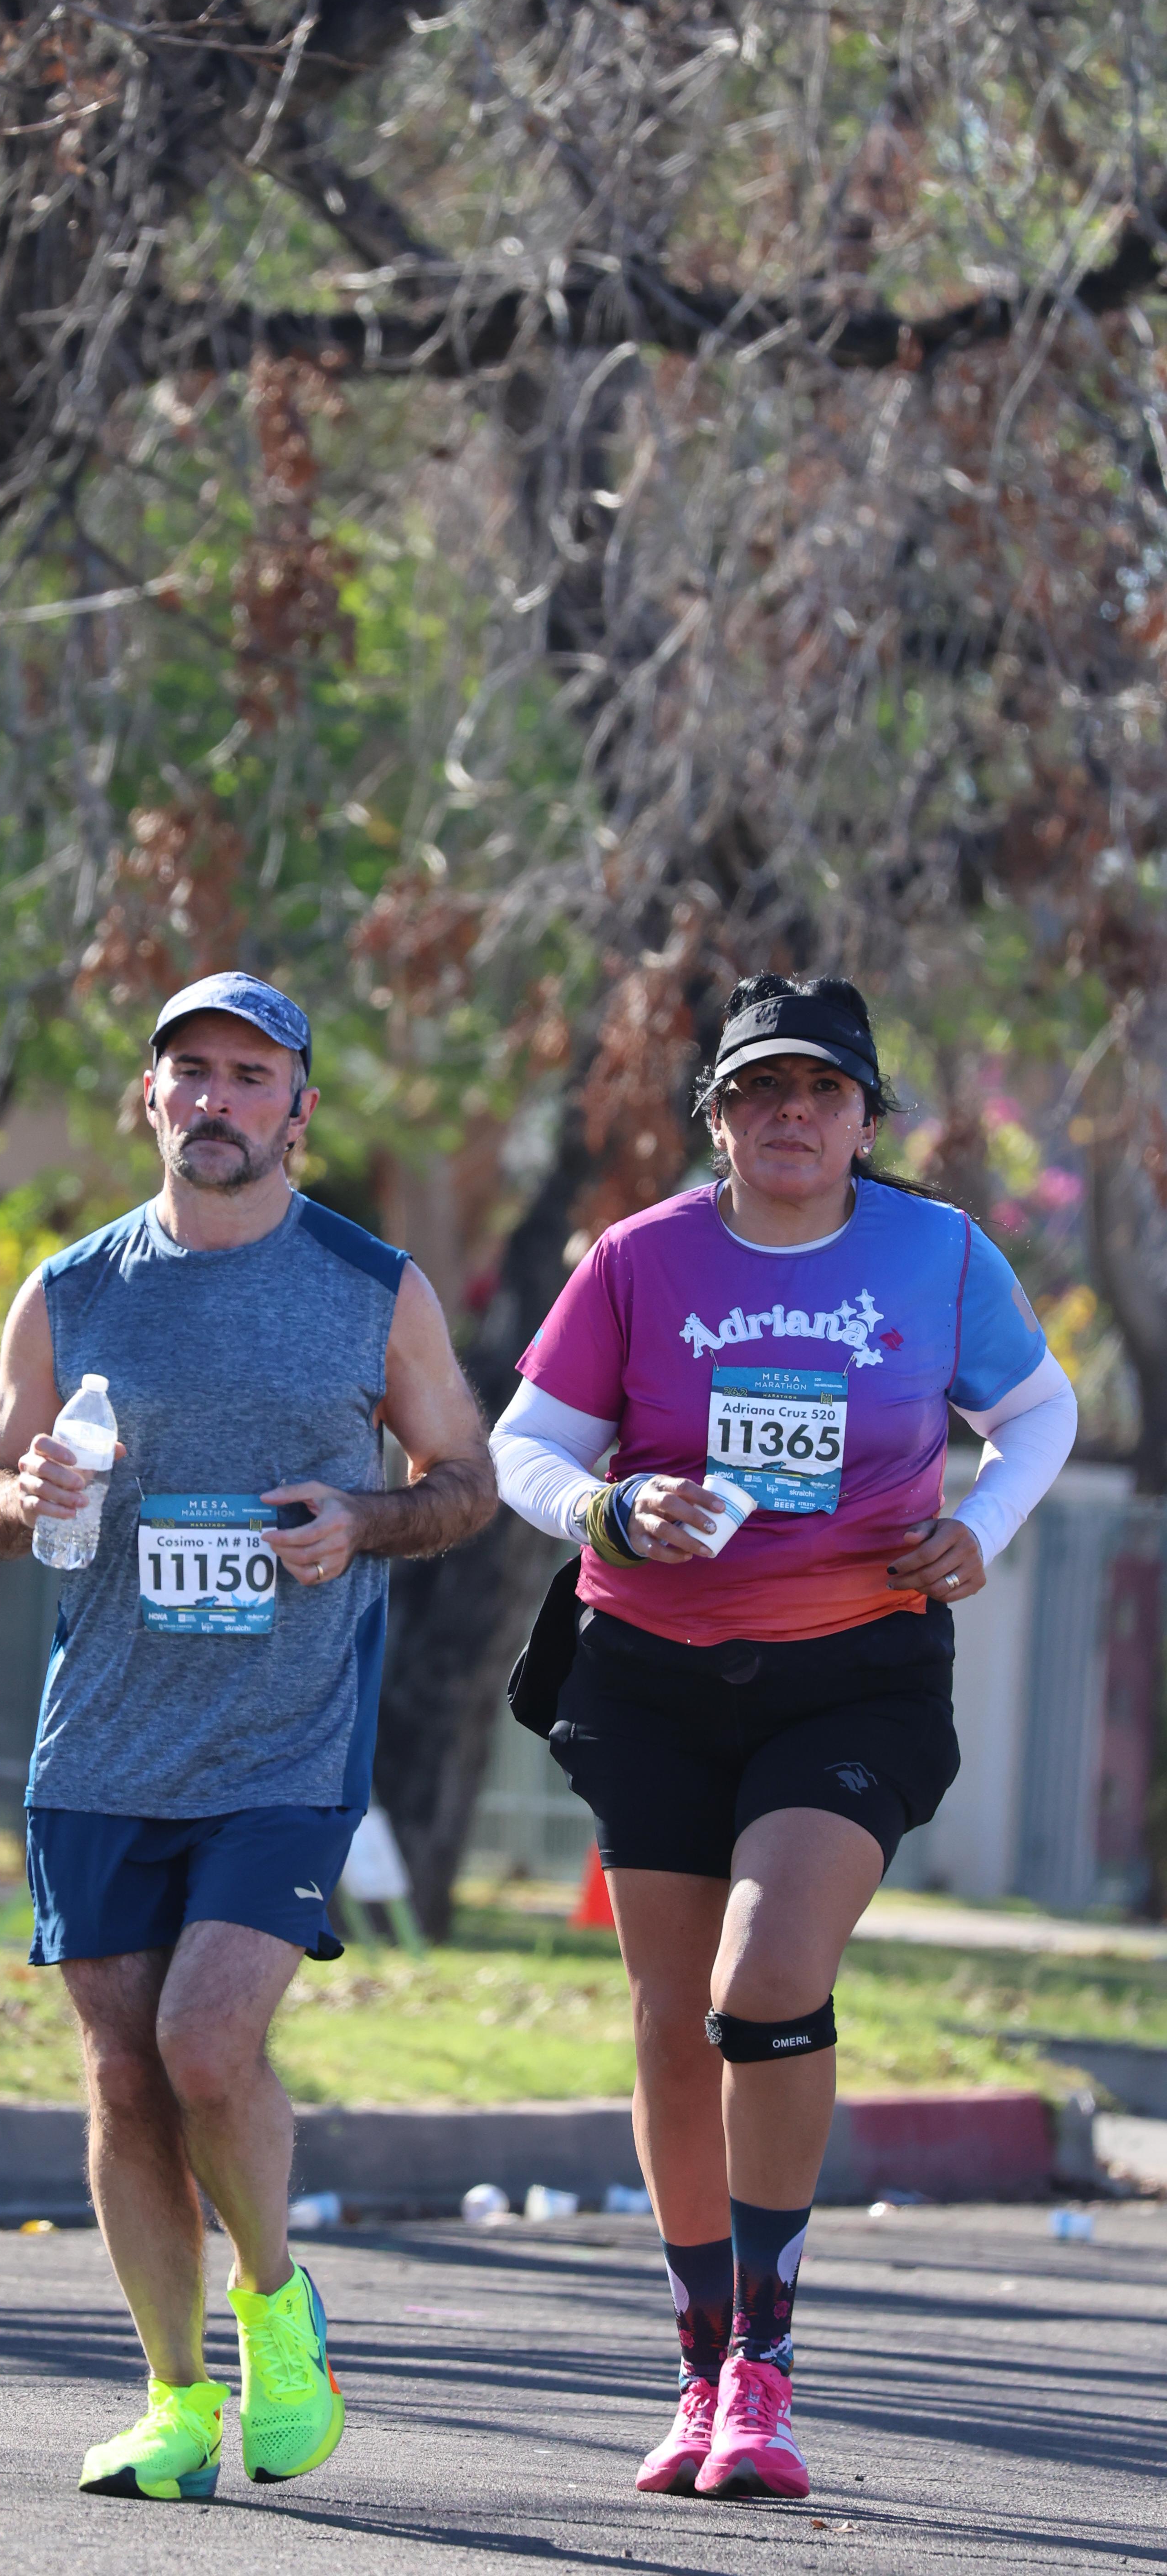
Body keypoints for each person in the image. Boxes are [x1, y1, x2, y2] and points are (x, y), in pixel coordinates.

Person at [490, 975, 1075, 2504]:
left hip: (853, 1672)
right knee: (670, 2025)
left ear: (867, 1119)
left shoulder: (939, 1254)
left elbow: (1041, 1412)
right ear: (719, 1119)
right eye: (760, 1090)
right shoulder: (640, 1259)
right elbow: (526, 1445)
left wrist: (984, 1525)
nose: (792, 1116)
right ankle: (698, 2370)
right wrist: (613, 1506)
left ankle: (766, 2362)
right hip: (651, 1675)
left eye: (823, 1091)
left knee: (763, 1979)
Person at [0, 972, 496, 2506]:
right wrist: (23, 1496)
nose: (217, 1100)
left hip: (282, 1749)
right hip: (101, 1750)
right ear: (151, 1097)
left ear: (299, 1111)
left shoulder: (371, 1285)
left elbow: (465, 1481)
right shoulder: (71, 1291)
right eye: (190, 1071)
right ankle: (176, 2401)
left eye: (252, 1077)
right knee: (125, 2081)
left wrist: (364, 1520)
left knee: (204, 2043)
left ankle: (275, 2307)